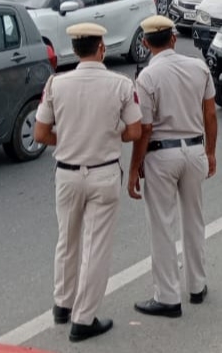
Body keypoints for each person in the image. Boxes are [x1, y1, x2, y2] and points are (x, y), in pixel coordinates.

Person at [34, 22, 143, 343]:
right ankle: (83, 319)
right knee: (96, 247)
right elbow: (135, 131)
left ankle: (62, 304)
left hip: (67, 173)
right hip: (103, 172)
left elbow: (40, 133)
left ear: (75, 49)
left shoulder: (56, 84)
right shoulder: (120, 84)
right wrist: (108, 134)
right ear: (102, 48)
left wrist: (70, 139)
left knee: (66, 240)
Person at [129, 16, 218, 319]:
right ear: (174, 38)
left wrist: (135, 166)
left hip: (161, 155)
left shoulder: (147, 77)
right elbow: (210, 115)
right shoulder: (198, 67)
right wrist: (211, 152)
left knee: (162, 225)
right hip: (194, 149)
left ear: (145, 43)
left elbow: (145, 127)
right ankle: (197, 285)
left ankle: (167, 296)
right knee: (195, 220)